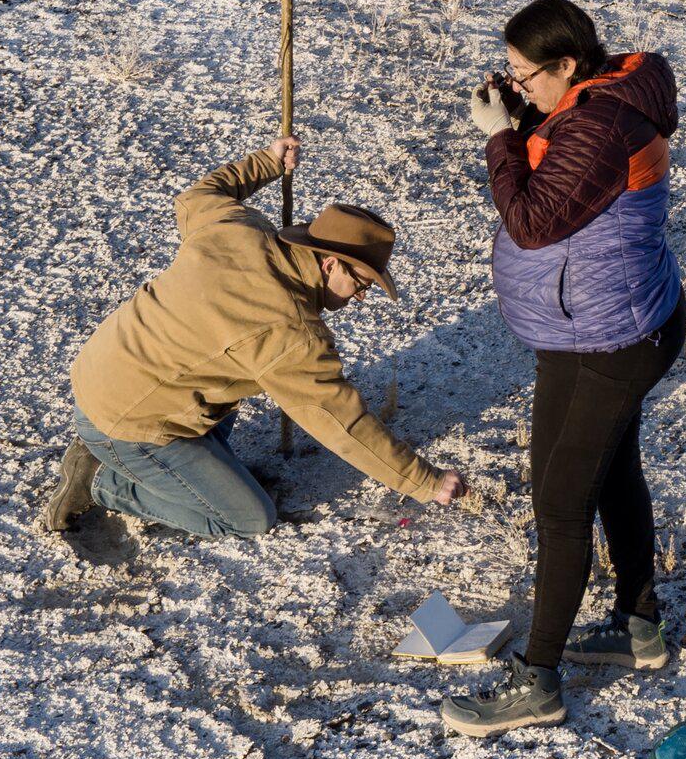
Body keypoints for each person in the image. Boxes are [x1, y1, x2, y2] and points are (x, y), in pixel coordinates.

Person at [441, 0, 685, 738]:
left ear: (568, 65)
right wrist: (520, 121)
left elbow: (535, 220)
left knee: (560, 505)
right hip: (585, 329)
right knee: (609, 472)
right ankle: (638, 628)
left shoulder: (602, 123)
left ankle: (537, 682)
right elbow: (556, 181)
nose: (520, 86)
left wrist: (497, 141)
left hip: (617, 340)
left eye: (526, 75)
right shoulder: (583, 105)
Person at [41, 135, 466, 540]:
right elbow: (341, 421)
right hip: (128, 423)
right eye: (362, 282)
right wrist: (422, 480)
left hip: (101, 372)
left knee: (231, 381)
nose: (362, 295)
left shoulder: (240, 226)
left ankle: (167, 462)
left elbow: (197, 197)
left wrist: (265, 161)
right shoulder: (289, 331)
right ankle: (100, 482)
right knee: (248, 517)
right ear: (332, 263)